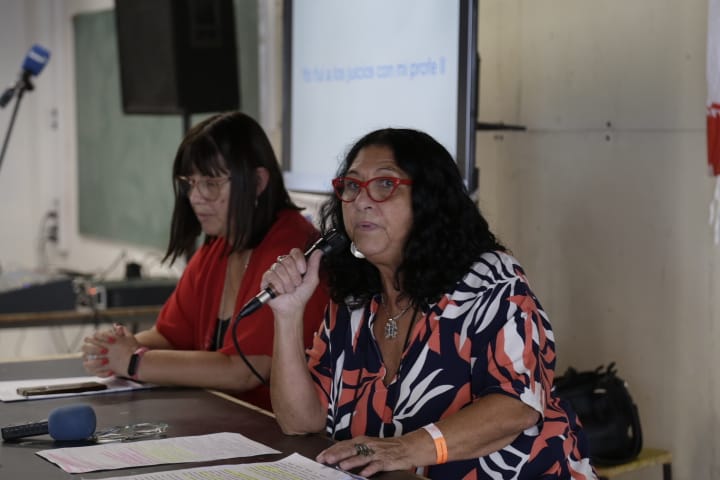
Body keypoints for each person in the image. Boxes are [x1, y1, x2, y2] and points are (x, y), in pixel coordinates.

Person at [263, 128, 596, 479]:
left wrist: (404, 449)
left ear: (429, 200)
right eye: (352, 185)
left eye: (385, 184)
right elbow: (300, 421)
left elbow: (517, 406)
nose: (361, 201)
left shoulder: (489, 279)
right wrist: (287, 315)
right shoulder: (353, 297)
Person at [81, 111, 328, 411]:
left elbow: (245, 371)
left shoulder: (292, 251)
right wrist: (116, 347)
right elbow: (169, 336)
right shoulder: (219, 246)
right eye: (190, 183)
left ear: (258, 182)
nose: (195, 197)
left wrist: (134, 361)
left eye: (210, 183)